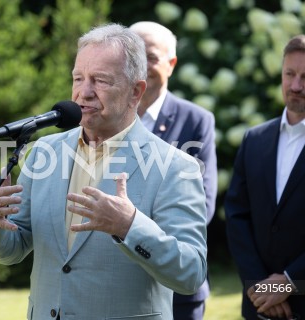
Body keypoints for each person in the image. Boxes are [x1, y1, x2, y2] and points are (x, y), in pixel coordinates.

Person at [0, 23, 208, 320]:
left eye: (100, 80)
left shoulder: (176, 167)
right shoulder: (43, 152)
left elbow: (191, 274)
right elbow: (13, 249)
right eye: (78, 78)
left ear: (135, 92)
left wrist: (129, 226)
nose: (84, 92)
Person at [130, 21, 217, 320]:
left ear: (172, 64)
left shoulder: (197, 120)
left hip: (177, 287)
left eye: (151, 56)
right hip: (117, 285)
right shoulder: (105, 118)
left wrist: (127, 226)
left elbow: (202, 205)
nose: (141, 65)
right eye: (134, 55)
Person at [225, 35, 305, 320]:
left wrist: (290, 281)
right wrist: (259, 286)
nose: (296, 86)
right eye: (290, 74)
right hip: (259, 305)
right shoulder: (255, 139)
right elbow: (236, 215)